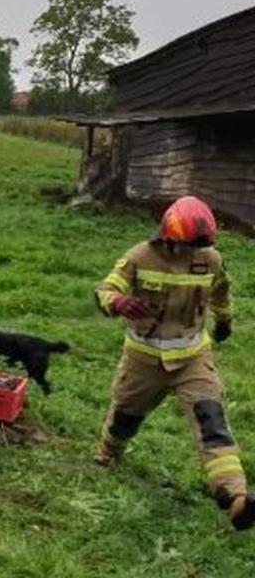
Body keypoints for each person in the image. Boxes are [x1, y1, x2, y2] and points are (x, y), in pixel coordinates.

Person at [93, 196, 253, 530]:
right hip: (144, 359)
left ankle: (236, 497)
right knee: (126, 414)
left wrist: (225, 320)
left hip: (193, 359)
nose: (191, 252)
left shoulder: (210, 259)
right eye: (186, 245)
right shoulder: (140, 256)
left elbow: (221, 291)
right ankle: (109, 450)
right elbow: (105, 289)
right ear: (168, 235)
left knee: (211, 419)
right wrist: (119, 302)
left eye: (198, 246)